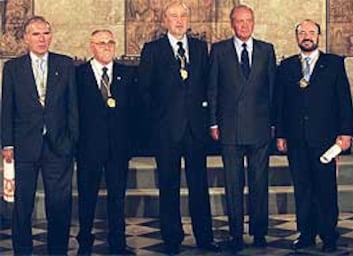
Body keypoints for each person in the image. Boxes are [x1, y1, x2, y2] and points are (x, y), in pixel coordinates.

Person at [138, 1, 219, 255]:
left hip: (195, 129)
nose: (179, 20)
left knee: (199, 186)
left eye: (184, 15)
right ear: (165, 21)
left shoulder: (199, 47)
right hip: (166, 131)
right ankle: (172, 238)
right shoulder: (152, 50)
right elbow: (144, 91)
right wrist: (158, 122)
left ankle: (204, 237)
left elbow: (207, 85)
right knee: (169, 185)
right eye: (174, 16)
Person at [1, 16, 78, 255]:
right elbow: (7, 108)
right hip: (24, 146)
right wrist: (7, 143)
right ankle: (22, 250)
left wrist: (72, 141)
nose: (42, 39)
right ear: (26, 38)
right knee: (22, 205)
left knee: (59, 203)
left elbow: (72, 106)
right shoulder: (13, 68)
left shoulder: (65, 64)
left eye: (46, 33)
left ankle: (57, 250)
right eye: (36, 34)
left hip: (58, 146)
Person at [276, 19, 353, 252]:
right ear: (296, 37)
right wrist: (280, 135)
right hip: (296, 139)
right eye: (302, 32)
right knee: (303, 188)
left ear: (319, 37)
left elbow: (344, 101)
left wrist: (345, 132)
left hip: (326, 140)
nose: (307, 36)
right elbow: (280, 104)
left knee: (325, 189)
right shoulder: (287, 66)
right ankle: (306, 234)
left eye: (311, 32)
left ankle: (329, 235)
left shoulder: (333, 64)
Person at [208, 4, 277, 252]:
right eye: (240, 21)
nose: (244, 25)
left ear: (254, 22)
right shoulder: (219, 50)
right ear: (232, 24)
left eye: (248, 20)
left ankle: (259, 232)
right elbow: (212, 89)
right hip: (229, 129)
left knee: (259, 183)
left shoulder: (267, 50)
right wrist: (213, 122)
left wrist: (274, 125)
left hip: (259, 129)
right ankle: (235, 234)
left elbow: (273, 91)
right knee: (233, 184)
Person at [75, 29, 136, 255]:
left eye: (110, 42)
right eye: (101, 43)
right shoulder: (78, 75)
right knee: (87, 196)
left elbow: (134, 112)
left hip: (118, 149)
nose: (107, 46)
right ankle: (84, 240)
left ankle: (118, 242)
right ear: (92, 46)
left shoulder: (126, 74)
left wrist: (131, 145)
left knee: (117, 197)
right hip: (88, 148)